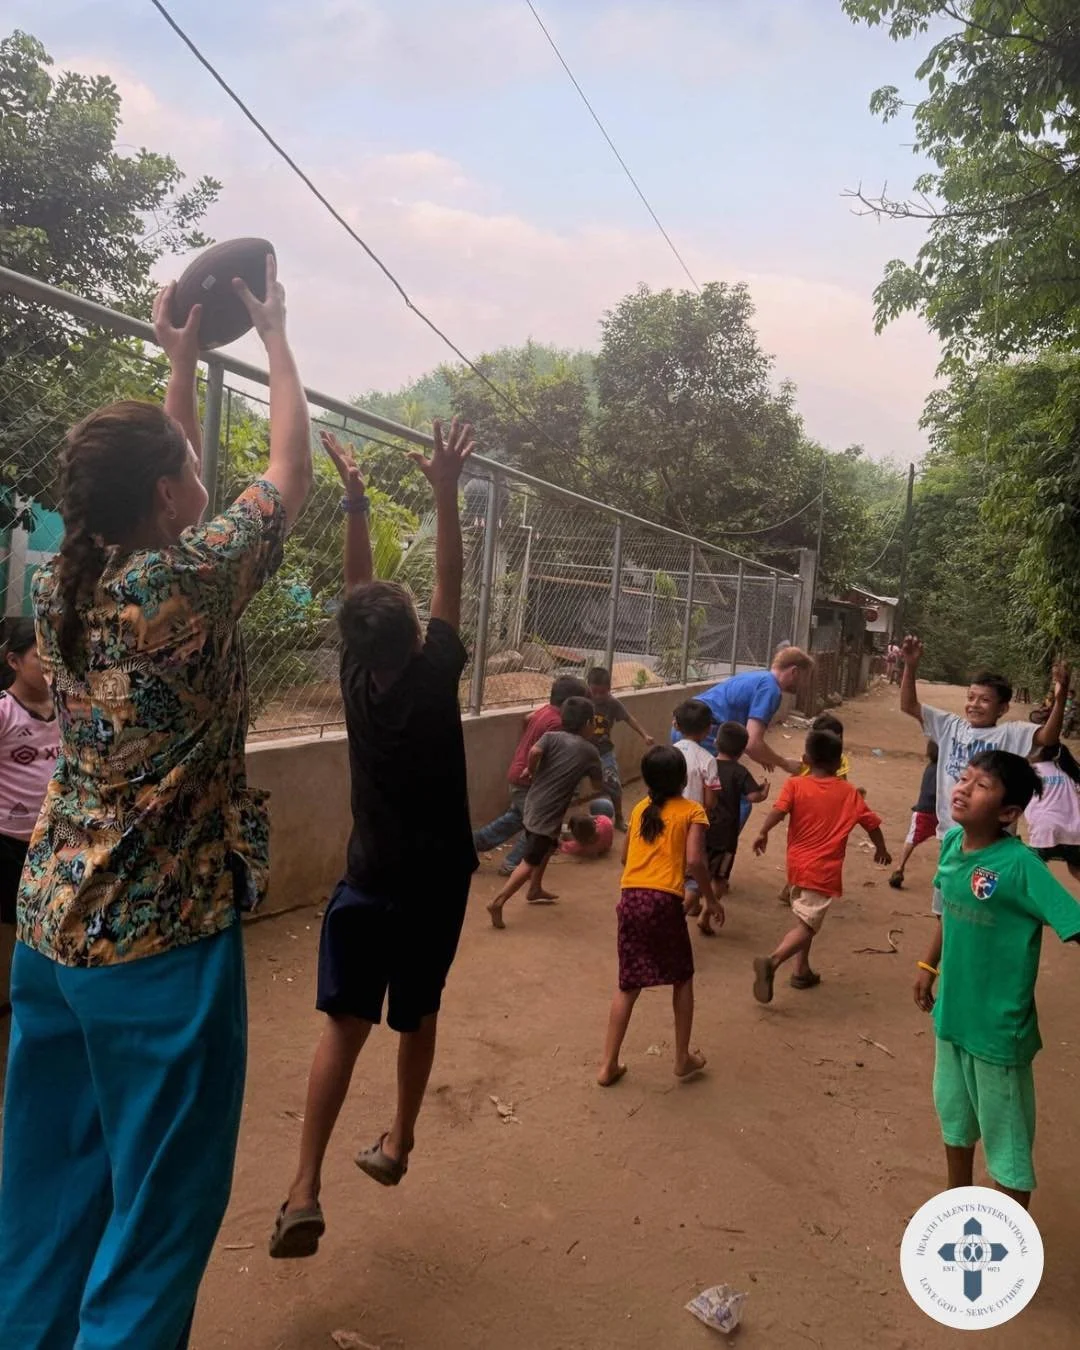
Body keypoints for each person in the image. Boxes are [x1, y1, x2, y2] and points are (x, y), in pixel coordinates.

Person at [0, 258, 312, 1349]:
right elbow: (289, 472)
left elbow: (156, 488)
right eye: (188, 467)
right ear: (174, 495)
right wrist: (272, 340)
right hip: (157, 949)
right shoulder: (189, 583)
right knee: (155, 1228)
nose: (200, 476)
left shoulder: (64, 579)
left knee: (48, 1201)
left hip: (49, 934)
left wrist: (178, 365)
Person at [270, 419, 477, 1260]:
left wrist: (354, 497)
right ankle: (397, 1140)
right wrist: (445, 489)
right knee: (416, 1013)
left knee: (342, 1026)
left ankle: (302, 1188)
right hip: (437, 883)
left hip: (369, 880)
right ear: (418, 638)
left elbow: (363, 596)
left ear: (356, 647)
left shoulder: (358, 678)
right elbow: (450, 581)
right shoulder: (434, 674)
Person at [913, 751, 1080, 1209]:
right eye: (964, 778)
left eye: (981, 785)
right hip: (953, 1020)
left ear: (1009, 813)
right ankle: (957, 1204)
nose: (963, 788)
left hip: (999, 1035)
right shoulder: (951, 846)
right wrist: (929, 966)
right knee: (956, 1123)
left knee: (1007, 1155)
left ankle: (1008, 1253)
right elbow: (950, 909)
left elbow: (1074, 921)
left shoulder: (1021, 865)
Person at [899, 636, 1069, 913]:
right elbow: (909, 706)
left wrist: (1060, 698)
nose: (974, 705)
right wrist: (910, 666)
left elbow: (1048, 737)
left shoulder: (1011, 734)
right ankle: (944, 952)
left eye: (984, 700)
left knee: (981, 906)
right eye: (971, 698)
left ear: (1002, 708)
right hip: (951, 834)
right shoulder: (949, 726)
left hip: (993, 841)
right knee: (947, 903)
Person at [596, 746, 716, 1087]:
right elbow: (695, 861)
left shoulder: (640, 809)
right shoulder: (692, 811)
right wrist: (710, 899)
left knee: (628, 984)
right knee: (682, 978)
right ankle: (681, 1058)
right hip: (663, 901)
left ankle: (608, 1065)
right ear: (683, 779)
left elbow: (624, 858)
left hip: (631, 897)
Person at [751, 729, 890, 1003]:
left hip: (796, 865)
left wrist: (762, 832)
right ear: (839, 764)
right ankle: (773, 961)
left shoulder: (795, 784)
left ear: (805, 759)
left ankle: (801, 970)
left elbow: (779, 811)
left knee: (805, 916)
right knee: (808, 925)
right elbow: (872, 825)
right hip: (823, 870)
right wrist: (882, 850)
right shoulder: (850, 793)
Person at [486, 696, 604, 929]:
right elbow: (598, 786)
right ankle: (498, 901)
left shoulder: (551, 737)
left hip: (534, 802)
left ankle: (535, 889)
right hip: (548, 812)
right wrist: (602, 777)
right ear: (588, 723)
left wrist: (531, 769)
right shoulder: (590, 751)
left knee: (549, 845)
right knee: (531, 859)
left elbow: (534, 751)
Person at [0, 619, 59, 1022]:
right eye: (40, 655)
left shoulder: (67, 707)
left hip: (55, 837)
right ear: (14, 661)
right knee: (9, 921)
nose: (49, 664)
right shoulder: (4, 711)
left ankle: (41, 997)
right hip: (8, 840)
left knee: (46, 915)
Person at [473, 675, 589, 876]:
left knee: (517, 818)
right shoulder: (558, 723)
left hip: (518, 775)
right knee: (537, 826)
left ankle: (475, 843)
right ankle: (513, 863)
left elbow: (527, 719)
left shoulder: (544, 711)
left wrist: (528, 742)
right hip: (528, 780)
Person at [672, 646, 813, 775]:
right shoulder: (771, 689)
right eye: (805, 678)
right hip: (704, 734)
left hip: (684, 725)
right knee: (729, 794)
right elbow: (752, 743)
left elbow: (749, 743)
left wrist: (760, 755)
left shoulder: (758, 677)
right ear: (794, 672)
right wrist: (784, 763)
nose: (805, 684)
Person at [698, 721, 769, 934]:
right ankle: (705, 914)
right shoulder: (740, 772)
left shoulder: (706, 763)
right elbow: (753, 796)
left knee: (698, 867)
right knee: (720, 876)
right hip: (726, 834)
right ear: (740, 752)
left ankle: (692, 901)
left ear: (717, 742)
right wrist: (763, 792)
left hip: (702, 825)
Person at [586, 666, 654, 831]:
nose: (598, 696)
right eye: (594, 692)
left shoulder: (612, 703)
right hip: (583, 750)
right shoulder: (583, 700)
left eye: (602, 692)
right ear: (588, 687)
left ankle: (619, 817)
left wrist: (644, 735)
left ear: (609, 689)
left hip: (604, 751)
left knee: (615, 786)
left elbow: (629, 719)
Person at [1025, 742, 1080, 883]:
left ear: (1040, 752)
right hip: (1073, 832)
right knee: (1076, 869)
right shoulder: (1068, 771)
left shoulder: (1030, 771)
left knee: (1033, 869)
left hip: (1043, 831)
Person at [888, 740, 939, 890]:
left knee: (911, 840)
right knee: (947, 841)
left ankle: (899, 867)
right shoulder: (944, 770)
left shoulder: (930, 768)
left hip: (924, 809)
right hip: (940, 811)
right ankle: (943, 874)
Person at [672, 700, 721, 809]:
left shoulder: (668, 752)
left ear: (677, 726)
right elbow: (709, 803)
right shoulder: (708, 760)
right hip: (694, 819)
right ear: (708, 729)